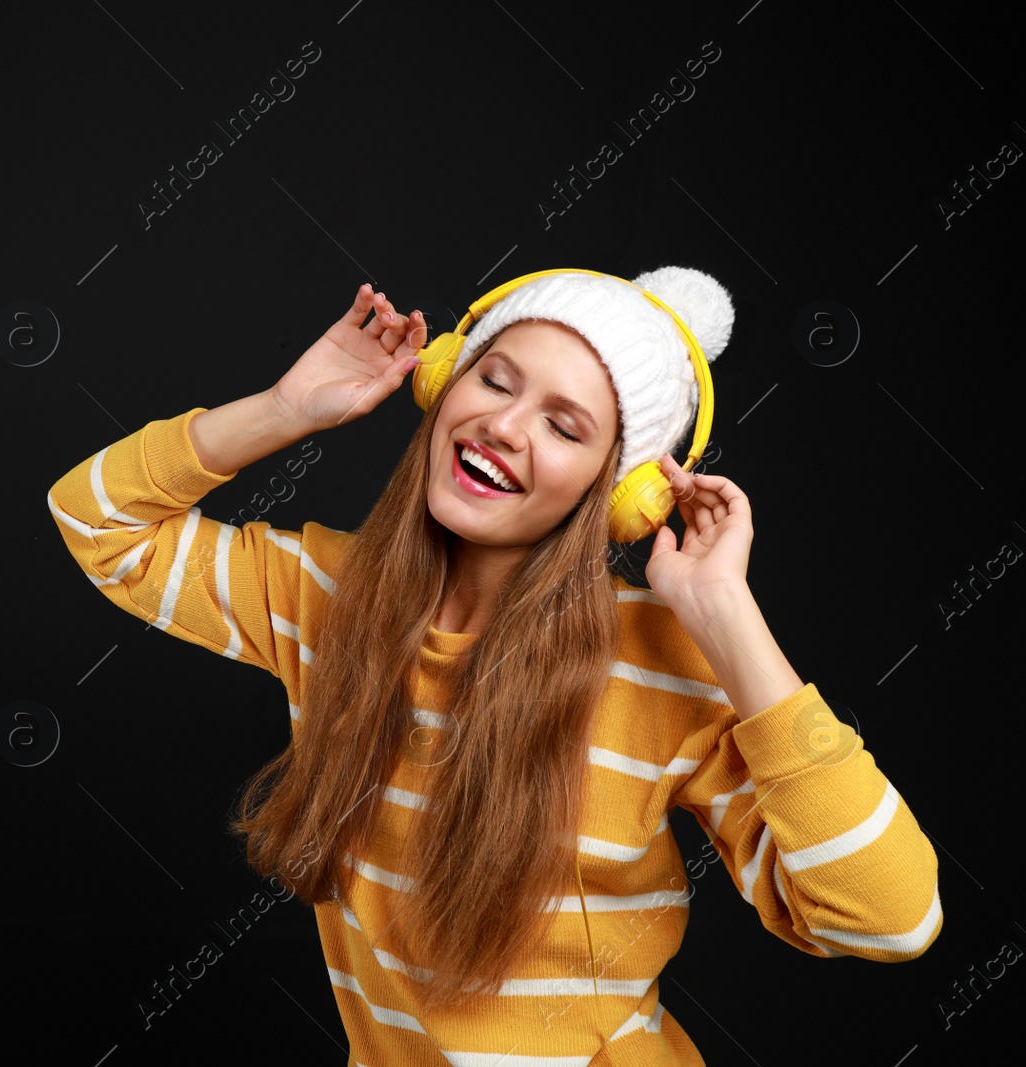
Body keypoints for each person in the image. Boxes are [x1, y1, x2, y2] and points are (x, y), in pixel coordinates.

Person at [47, 267, 941, 1065]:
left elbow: (891, 919)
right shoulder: (324, 596)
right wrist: (284, 410)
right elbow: (99, 524)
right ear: (443, 381)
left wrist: (726, 616)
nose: (504, 427)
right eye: (494, 378)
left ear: (618, 491)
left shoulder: (665, 665)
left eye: (564, 425)